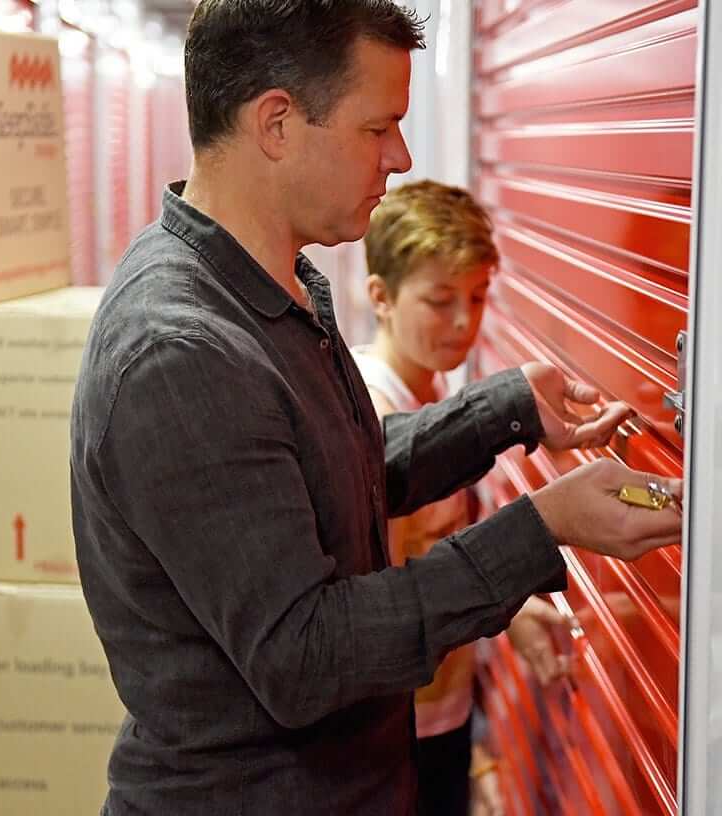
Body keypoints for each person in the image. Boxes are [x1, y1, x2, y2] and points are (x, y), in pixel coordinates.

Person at [70, 3, 683, 815]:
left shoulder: (267, 288)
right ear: (278, 122)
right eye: (378, 128)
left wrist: (506, 409)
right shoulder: (181, 353)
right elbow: (307, 656)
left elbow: (329, 476)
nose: (401, 156)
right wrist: (539, 529)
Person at [353, 180, 573, 816]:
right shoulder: (376, 415)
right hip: (397, 732)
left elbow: (444, 553)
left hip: (441, 712)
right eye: (440, 299)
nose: (463, 321)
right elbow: (388, 594)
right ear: (381, 298)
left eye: (477, 298)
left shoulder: (435, 391)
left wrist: (513, 611)